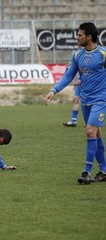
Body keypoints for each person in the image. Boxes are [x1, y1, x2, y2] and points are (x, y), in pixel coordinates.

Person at [44, 22, 106, 184]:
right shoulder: (77, 55)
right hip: (85, 101)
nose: (77, 37)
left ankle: (86, 171)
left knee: (90, 131)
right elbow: (67, 76)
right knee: (96, 134)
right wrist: (54, 90)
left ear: (89, 37)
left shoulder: (103, 54)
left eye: (80, 35)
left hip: (101, 100)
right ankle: (104, 170)